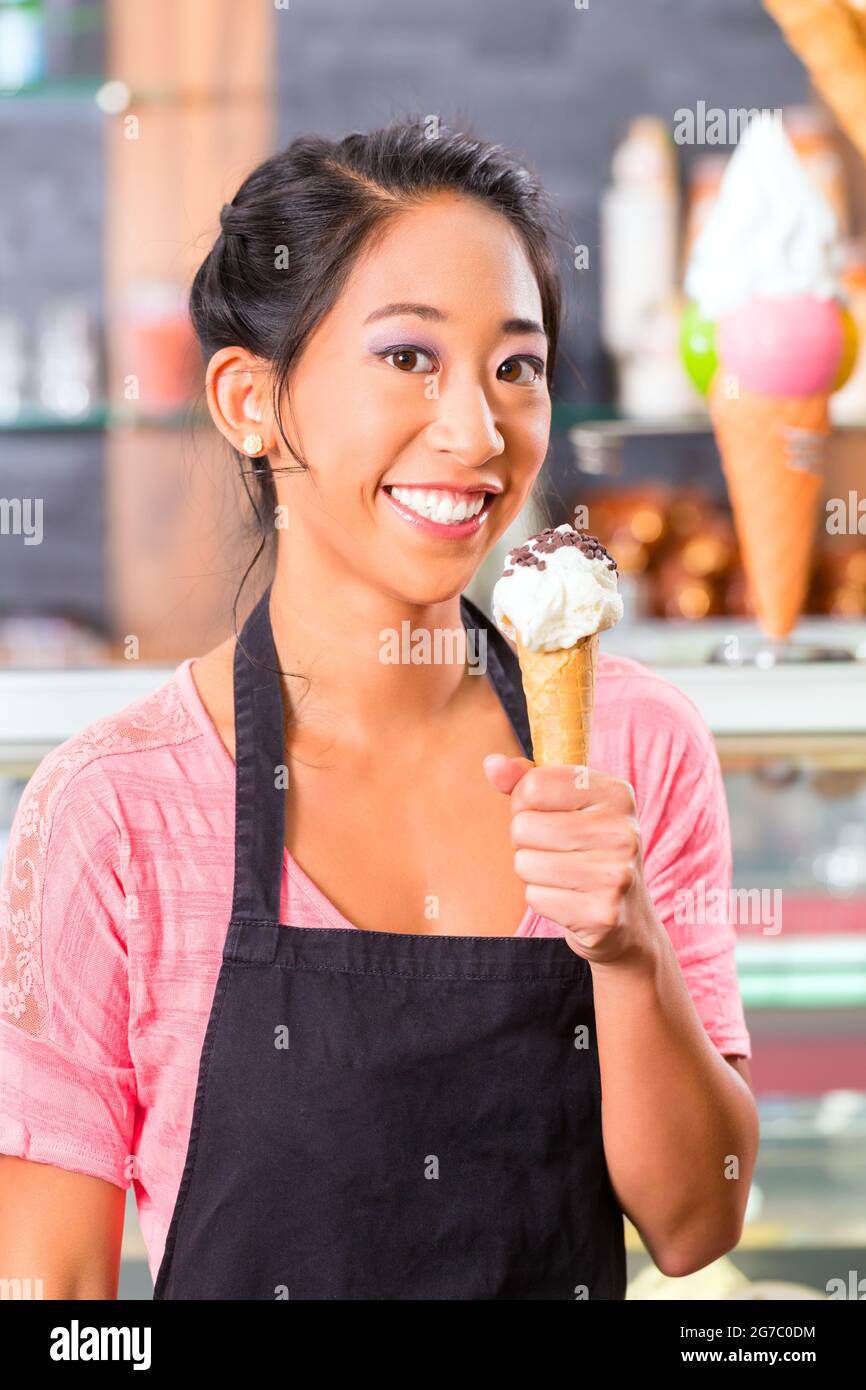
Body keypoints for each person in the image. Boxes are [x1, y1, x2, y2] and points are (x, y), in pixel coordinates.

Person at [0, 117, 758, 1300]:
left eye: (516, 367)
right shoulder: (118, 806)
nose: (474, 433)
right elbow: (53, 1297)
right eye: (408, 357)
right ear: (251, 401)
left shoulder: (634, 744)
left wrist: (625, 950)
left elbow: (697, 1218)